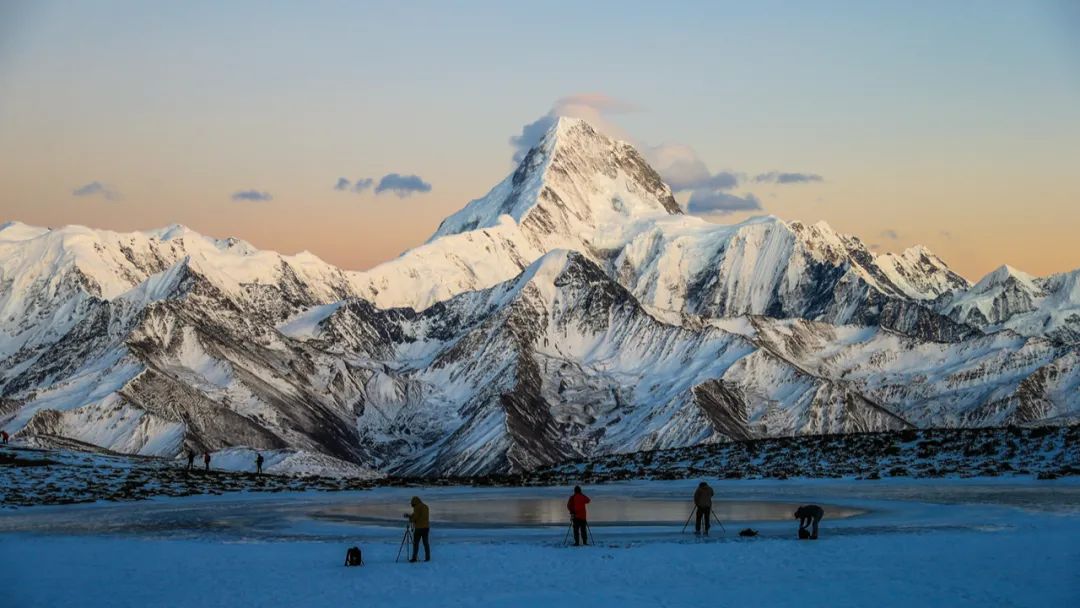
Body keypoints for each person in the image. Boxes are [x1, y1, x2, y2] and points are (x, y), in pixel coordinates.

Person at [405, 496, 430, 562]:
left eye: (412, 504)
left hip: (419, 528)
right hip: (426, 527)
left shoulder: (417, 507)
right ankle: (428, 557)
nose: (412, 505)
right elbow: (418, 515)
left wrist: (410, 520)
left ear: (414, 502)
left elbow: (415, 517)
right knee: (426, 543)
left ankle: (414, 558)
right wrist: (410, 516)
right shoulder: (425, 506)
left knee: (416, 543)